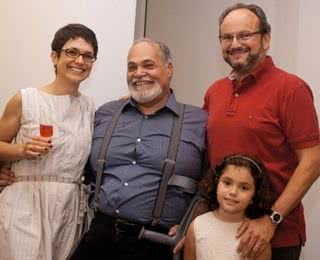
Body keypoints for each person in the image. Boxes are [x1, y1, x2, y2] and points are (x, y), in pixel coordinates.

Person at [70, 38, 207, 260]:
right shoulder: (106, 114)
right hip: (99, 236)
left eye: (148, 65)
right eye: (132, 67)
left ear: (169, 69)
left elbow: (213, 181)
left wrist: (196, 219)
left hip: (157, 244)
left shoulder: (198, 122)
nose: (138, 73)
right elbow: (76, 162)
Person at [203, 3, 320, 260]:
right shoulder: (215, 92)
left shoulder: (291, 89)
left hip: (274, 237)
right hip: (221, 232)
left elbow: (312, 161)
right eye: (227, 37)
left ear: (266, 39)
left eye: (245, 35)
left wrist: (272, 219)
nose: (235, 43)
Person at [0, 23, 98, 260]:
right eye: (71, 52)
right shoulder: (26, 99)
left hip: (69, 208)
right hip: (25, 203)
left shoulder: (89, 107)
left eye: (88, 55)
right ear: (54, 56)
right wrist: (20, 149)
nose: (79, 60)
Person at [184, 155, 274, 260]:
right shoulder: (197, 226)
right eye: (227, 183)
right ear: (216, 183)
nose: (233, 192)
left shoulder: (256, 237)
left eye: (244, 188)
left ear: (254, 195)